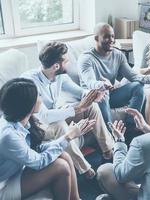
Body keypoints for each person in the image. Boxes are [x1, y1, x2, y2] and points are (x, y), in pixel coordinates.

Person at [22, 41, 114, 178]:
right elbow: (45, 117)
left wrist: (95, 93)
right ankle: (85, 168)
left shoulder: (60, 76)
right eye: (67, 61)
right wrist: (77, 108)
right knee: (59, 124)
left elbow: (81, 92)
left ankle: (108, 151)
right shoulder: (30, 81)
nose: (69, 63)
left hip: (55, 114)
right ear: (56, 66)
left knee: (92, 106)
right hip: (38, 124)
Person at [0, 78, 95, 200]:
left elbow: (35, 149)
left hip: (16, 172)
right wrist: (67, 137)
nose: (41, 99)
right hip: (4, 185)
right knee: (61, 167)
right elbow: (39, 162)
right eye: (38, 95)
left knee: (63, 155)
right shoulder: (8, 136)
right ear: (28, 105)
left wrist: (68, 137)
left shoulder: (21, 120)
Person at [77, 23, 150, 134]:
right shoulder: (86, 58)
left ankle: (130, 127)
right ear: (96, 38)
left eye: (112, 36)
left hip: (111, 95)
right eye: (106, 37)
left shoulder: (118, 55)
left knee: (137, 86)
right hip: (92, 98)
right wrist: (102, 85)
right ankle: (110, 135)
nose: (111, 40)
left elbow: (133, 76)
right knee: (102, 92)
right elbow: (90, 82)